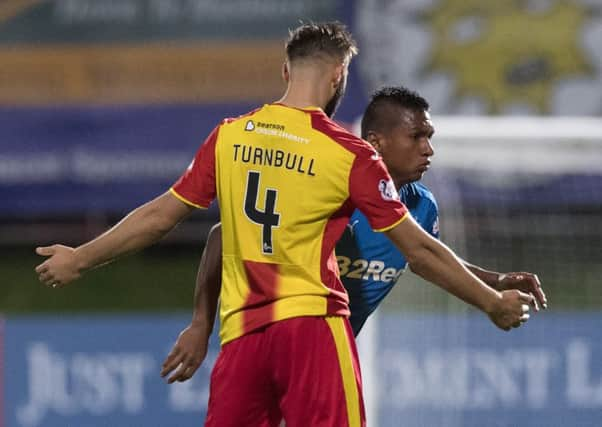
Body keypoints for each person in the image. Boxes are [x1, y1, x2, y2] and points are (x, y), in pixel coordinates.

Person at [36, 22, 533, 427]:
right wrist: (491, 303)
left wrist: (80, 257)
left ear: (284, 70)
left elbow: (160, 216)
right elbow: (418, 251)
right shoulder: (349, 153)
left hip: (244, 339)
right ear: (339, 75)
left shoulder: (229, 137)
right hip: (311, 329)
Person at [161, 86, 546, 387]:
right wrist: (201, 324)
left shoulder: (421, 206)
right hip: (278, 347)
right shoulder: (329, 192)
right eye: (416, 136)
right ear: (376, 143)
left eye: (429, 136)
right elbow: (221, 236)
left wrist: (493, 280)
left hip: (331, 357)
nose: (428, 149)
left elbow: (425, 258)